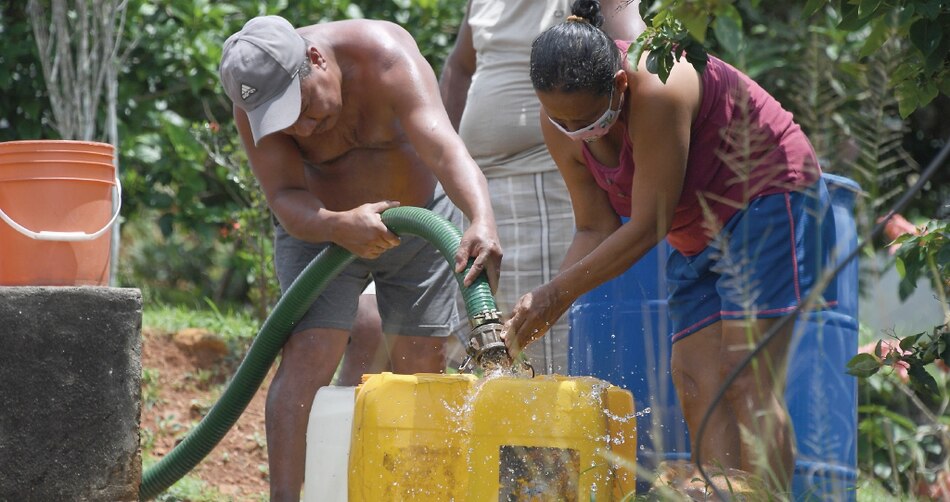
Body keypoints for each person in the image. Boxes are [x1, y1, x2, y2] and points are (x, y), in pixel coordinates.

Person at [502, 0, 838, 494]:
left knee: (745, 378)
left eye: (587, 119)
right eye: (560, 120)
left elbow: (646, 226)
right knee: (695, 381)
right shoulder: (559, 120)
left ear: (619, 86)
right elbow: (595, 227)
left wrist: (554, 297)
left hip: (766, 194)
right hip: (696, 230)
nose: (575, 131)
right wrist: (547, 302)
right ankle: (721, 494)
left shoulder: (658, 85)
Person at [218, 15, 502, 501]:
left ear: (315, 59)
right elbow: (285, 194)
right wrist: (336, 224)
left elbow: (442, 147)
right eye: (287, 123)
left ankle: (409, 493)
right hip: (320, 228)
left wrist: (481, 218)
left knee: (420, 365)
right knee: (309, 353)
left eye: (305, 107)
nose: (304, 128)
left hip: (418, 219)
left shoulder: (385, 57)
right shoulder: (256, 100)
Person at [440, 0, 644, 374]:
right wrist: (446, 153)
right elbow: (460, 66)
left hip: (544, 179)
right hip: (477, 185)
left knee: (540, 340)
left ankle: (541, 433)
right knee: (477, 336)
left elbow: (635, 45)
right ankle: (492, 431)